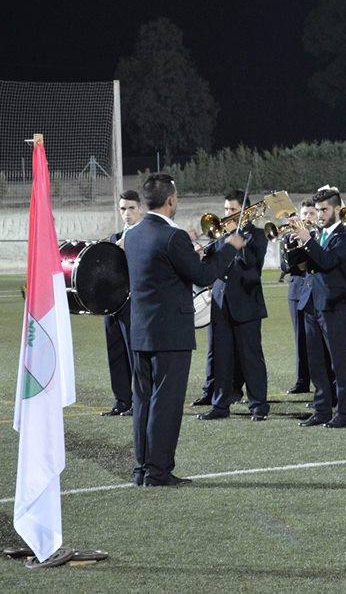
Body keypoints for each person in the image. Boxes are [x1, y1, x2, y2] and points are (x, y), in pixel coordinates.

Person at [124, 173, 243, 487]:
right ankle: (158, 471)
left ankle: (142, 468)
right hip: (170, 334)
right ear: (171, 200)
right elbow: (203, 276)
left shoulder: (133, 234)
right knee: (166, 403)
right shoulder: (172, 236)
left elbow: (166, 270)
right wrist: (229, 247)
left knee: (143, 402)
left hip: (141, 332)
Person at [196, 190, 270, 422]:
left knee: (251, 357)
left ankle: (258, 405)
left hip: (247, 304)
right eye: (226, 209)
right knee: (221, 357)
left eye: (233, 210)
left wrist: (237, 240)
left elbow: (252, 263)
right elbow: (211, 265)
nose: (227, 214)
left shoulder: (257, 235)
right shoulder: (219, 235)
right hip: (220, 304)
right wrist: (199, 253)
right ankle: (220, 405)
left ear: (244, 212)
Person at [290, 188, 346, 428]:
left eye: (324, 210)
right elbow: (298, 267)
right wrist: (295, 244)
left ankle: (345, 413)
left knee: (338, 362)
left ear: (337, 209)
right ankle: (321, 410)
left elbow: (328, 262)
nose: (319, 214)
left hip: (333, 305)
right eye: (317, 210)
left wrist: (307, 239)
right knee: (316, 361)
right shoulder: (317, 234)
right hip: (310, 303)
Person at [100, 190, 143, 417]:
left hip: (133, 304)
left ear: (141, 209)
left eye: (131, 208)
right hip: (112, 304)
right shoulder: (114, 238)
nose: (126, 213)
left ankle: (139, 402)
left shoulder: (145, 237)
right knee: (115, 352)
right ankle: (122, 401)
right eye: (123, 209)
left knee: (135, 356)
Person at [282, 201, 316, 394]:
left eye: (311, 213)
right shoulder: (289, 237)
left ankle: (323, 383)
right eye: (304, 214)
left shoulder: (317, 236)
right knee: (300, 339)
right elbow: (284, 266)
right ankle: (302, 381)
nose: (307, 218)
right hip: (296, 292)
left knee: (316, 340)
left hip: (313, 290)